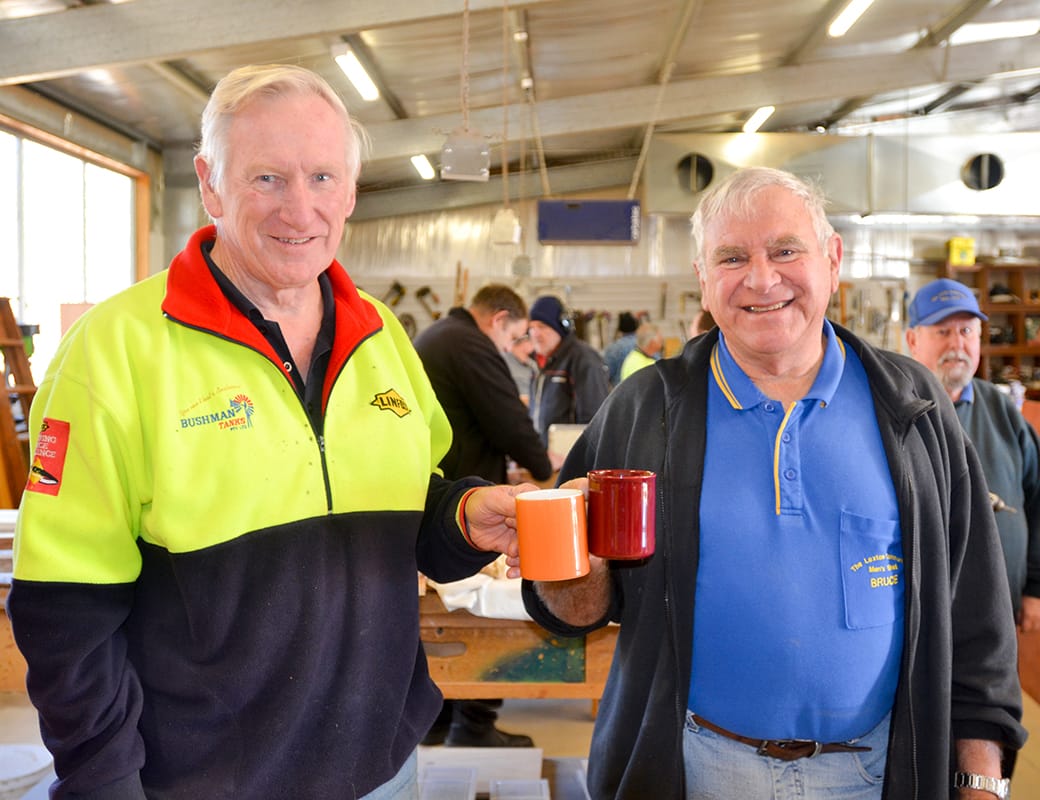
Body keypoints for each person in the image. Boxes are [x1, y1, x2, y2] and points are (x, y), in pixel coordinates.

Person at [7, 64, 533, 800]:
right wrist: (103, 781)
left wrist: (465, 517)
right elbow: (64, 606)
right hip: (204, 783)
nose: (300, 208)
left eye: (322, 177)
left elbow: (408, 509)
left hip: (382, 770)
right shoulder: (116, 351)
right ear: (211, 184)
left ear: (350, 192)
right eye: (267, 179)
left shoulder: (379, 334)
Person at [520, 167, 1025, 799]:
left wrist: (981, 779)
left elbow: (975, 610)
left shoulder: (912, 406)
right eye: (732, 257)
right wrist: (565, 565)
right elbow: (578, 612)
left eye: (785, 250)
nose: (762, 279)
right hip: (693, 767)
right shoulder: (644, 409)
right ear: (704, 281)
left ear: (832, 259)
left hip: (878, 770)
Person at [414, 283, 563, 749]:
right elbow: (506, 417)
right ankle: (473, 727)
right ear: (499, 320)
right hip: (464, 507)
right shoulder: (470, 344)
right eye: (512, 337)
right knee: (486, 622)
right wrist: (544, 471)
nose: (511, 349)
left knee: (442, 618)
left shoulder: (439, 335)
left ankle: (441, 721)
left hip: (441, 500)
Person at [906, 277, 1040, 631]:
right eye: (942, 331)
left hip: (1000, 614)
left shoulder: (1001, 409)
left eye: (967, 331)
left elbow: (1038, 497)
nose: (957, 344)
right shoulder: (893, 411)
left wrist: (1036, 589)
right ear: (912, 340)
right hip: (920, 622)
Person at [526, 295, 610, 447]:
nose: (535, 333)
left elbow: (594, 420)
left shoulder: (584, 360)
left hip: (570, 460)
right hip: (546, 458)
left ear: (561, 327)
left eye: (542, 326)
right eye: (532, 327)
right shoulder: (538, 362)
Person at [603, 311, 640, 386]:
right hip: (642, 390)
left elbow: (606, 373)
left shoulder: (613, 348)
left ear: (620, 328)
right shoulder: (645, 346)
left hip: (619, 391)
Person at [505, 334, 538, 405]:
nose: (534, 346)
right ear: (525, 342)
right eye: (532, 341)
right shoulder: (503, 359)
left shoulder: (533, 365)